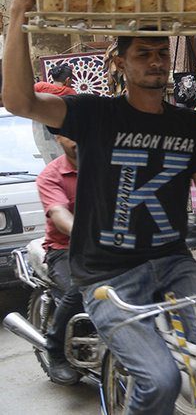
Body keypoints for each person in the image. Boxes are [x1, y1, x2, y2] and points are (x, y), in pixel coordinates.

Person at [1, 0, 196, 414]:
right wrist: (19, 14)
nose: (156, 61)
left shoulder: (188, 126)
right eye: (143, 53)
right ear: (120, 62)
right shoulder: (95, 114)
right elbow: (19, 99)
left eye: (162, 52)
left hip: (173, 262)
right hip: (107, 274)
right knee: (160, 379)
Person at [35, 134, 83, 385]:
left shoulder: (107, 167)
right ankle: (54, 349)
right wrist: (85, 234)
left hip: (107, 247)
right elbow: (58, 213)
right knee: (80, 288)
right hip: (63, 248)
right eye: (70, 133)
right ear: (57, 137)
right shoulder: (51, 175)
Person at [32, 63, 76, 163]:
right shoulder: (70, 93)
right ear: (67, 80)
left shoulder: (40, 86)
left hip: (40, 134)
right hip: (61, 134)